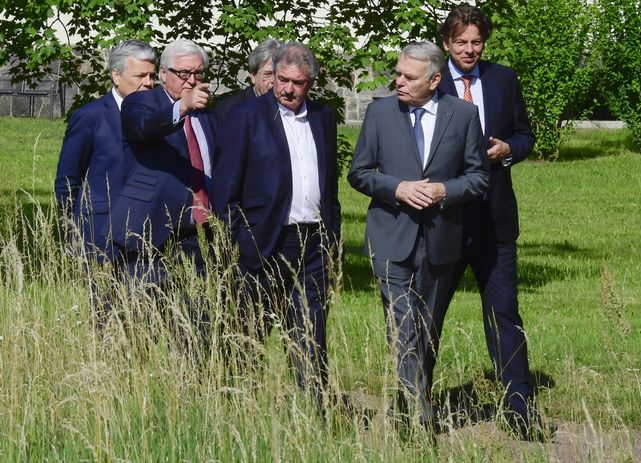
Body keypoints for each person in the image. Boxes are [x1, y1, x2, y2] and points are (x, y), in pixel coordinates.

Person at [348, 41, 488, 432]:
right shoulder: (379, 113)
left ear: (434, 80)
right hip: (391, 237)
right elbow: (358, 173)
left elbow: (478, 177)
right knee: (403, 323)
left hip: (442, 239)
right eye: (397, 73)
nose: (399, 82)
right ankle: (420, 418)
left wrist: (444, 191)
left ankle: (408, 401)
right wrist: (397, 188)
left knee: (427, 327)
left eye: (409, 77)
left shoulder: (462, 116)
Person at [213, 41, 341, 407]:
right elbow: (226, 189)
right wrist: (240, 240)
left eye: (297, 83)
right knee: (251, 328)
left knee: (310, 329)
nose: (287, 88)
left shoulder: (323, 118)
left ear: (310, 83)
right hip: (263, 240)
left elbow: (328, 184)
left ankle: (314, 410)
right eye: (282, 79)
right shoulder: (246, 116)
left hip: (314, 241)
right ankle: (237, 405)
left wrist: (331, 237)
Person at [437, 4, 544, 440]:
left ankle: (520, 409)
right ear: (446, 43)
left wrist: (509, 150)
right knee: (430, 316)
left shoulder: (502, 78)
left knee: (504, 313)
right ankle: (416, 404)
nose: (469, 49)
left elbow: (525, 134)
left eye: (476, 42)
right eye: (461, 42)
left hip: (496, 221)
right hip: (444, 220)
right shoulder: (429, 80)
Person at [109, 39, 218, 350]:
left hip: (200, 234)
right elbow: (143, 128)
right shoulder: (141, 103)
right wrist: (181, 107)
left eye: (199, 73)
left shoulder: (208, 115)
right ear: (164, 74)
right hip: (151, 233)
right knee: (140, 328)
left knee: (196, 328)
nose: (192, 80)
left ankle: (192, 389)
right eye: (184, 73)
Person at [54, 40, 156, 261]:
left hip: (149, 235)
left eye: (152, 76)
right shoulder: (90, 116)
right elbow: (67, 179)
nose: (148, 83)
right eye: (140, 76)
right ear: (116, 76)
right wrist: (73, 226)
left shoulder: (161, 116)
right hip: (99, 233)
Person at [215, 38, 281, 121]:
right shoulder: (230, 110)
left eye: (280, 76)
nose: (274, 81)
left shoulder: (292, 105)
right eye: (268, 74)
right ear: (253, 76)